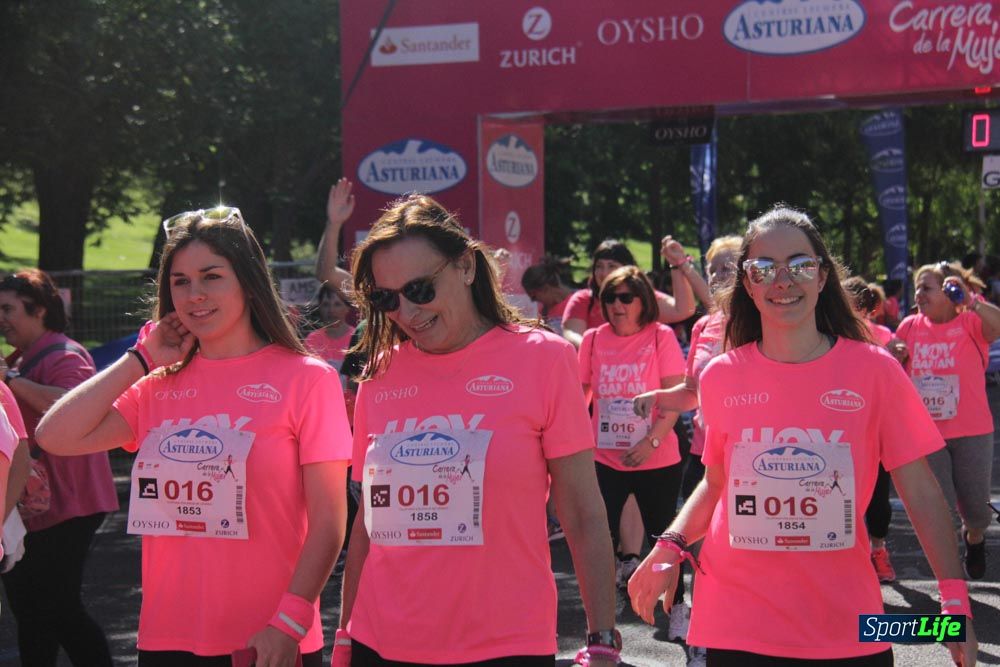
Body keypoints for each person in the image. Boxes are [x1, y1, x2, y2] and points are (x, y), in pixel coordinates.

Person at [628, 206, 977, 666]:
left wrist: (953, 607)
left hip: (850, 627)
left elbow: (921, 491)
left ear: (822, 275)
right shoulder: (721, 377)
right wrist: (669, 544)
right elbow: (716, 484)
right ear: (748, 284)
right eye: (763, 268)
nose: (782, 280)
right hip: (734, 624)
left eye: (799, 265)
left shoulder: (874, 372)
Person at [36, 207, 352, 667]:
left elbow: (328, 522)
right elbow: (54, 436)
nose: (194, 294)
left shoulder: (307, 379)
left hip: (268, 640)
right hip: (167, 639)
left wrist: (289, 621)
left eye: (211, 276)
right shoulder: (157, 383)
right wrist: (140, 360)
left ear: (247, 280)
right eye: (180, 281)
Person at [336, 194, 618, 667]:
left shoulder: (544, 359)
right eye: (387, 298)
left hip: (505, 645)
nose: (406, 311)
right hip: (379, 642)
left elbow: (583, 512)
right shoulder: (380, 376)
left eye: (421, 289)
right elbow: (369, 524)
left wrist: (603, 637)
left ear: (465, 267)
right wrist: (344, 634)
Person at [0, 268, 118, 667]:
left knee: (57, 606)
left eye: (7, 308)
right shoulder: (20, 358)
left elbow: (73, 403)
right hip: (36, 508)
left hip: (71, 504)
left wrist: (11, 380)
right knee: (30, 609)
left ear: (38, 311)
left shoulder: (65, 354)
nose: (0, 318)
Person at [578, 266, 687, 632]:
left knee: (666, 538)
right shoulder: (593, 339)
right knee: (597, 537)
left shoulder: (661, 337)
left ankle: (677, 608)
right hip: (605, 459)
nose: (617, 305)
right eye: (609, 297)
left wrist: (650, 441)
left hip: (656, 458)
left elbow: (675, 398)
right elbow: (582, 395)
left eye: (626, 297)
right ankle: (602, 617)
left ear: (644, 301)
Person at [889, 260, 1000, 581]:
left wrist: (971, 300)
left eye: (927, 288)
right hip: (926, 434)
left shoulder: (970, 322)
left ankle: (975, 539)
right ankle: (952, 585)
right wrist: (892, 352)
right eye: (918, 288)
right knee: (942, 510)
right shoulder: (909, 326)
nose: (919, 294)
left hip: (972, 431)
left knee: (977, 514)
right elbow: (891, 366)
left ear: (949, 291)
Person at [841, 275, 898, 583]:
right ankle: (845, 563)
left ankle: (878, 550)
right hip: (838, 433)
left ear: (864, 307)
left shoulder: (884, 336)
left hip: (875, 431)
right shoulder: (824, 336)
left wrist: (899, 354)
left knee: (877, 499)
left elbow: (895, 382)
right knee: (837, 498)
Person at [562, 237, 697, 349]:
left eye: (611, 266)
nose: (604, 273)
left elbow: (684, 310)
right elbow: (571, 335)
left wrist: (676, 265)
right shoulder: (583, 299)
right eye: (599, 266)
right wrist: (600, 352)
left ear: (627, 269)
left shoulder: (642, 298)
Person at [304, 283, 356, 375]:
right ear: (320, 308)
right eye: (326, 304)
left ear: (347, 308)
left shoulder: (357, 338)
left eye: (337, 304)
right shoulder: (312, 340)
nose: (331, 310)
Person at [521, 255, 577, 334]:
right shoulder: (544, 312)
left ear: (545, 288)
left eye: (534, 297)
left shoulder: (579, 301)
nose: (533, 301)